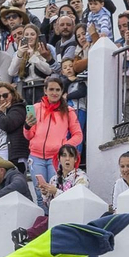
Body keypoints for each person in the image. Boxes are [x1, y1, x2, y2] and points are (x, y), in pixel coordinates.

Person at [25, 77, 83, 207]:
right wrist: (27, 127)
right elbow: (28, 136)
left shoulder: (68, 111)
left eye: (58, 90)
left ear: (62, 91)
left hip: (56, 158)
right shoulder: (35, 108)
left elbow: (78, 135)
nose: (54, 93)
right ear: (45, 90)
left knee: (55, 192)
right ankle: (43, 223)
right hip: (35, 157)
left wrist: (63, 148)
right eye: (51, 89)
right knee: (40, 194)